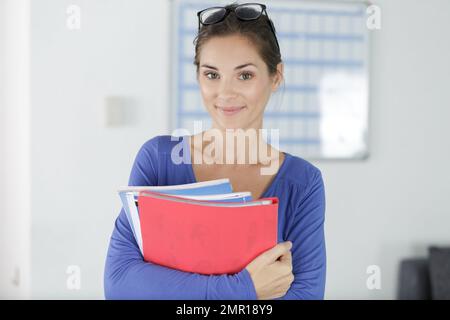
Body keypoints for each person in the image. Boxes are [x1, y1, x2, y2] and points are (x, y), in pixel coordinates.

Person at [104, 2, 326, 300]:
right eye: (212, 75)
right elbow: (120, 285)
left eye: (244, 75)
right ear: (198, 77)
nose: (226, 92)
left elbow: (306, 296)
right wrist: (246, 288)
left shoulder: (303, 183)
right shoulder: (158, 160)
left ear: (276, 77)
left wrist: (173, 288)